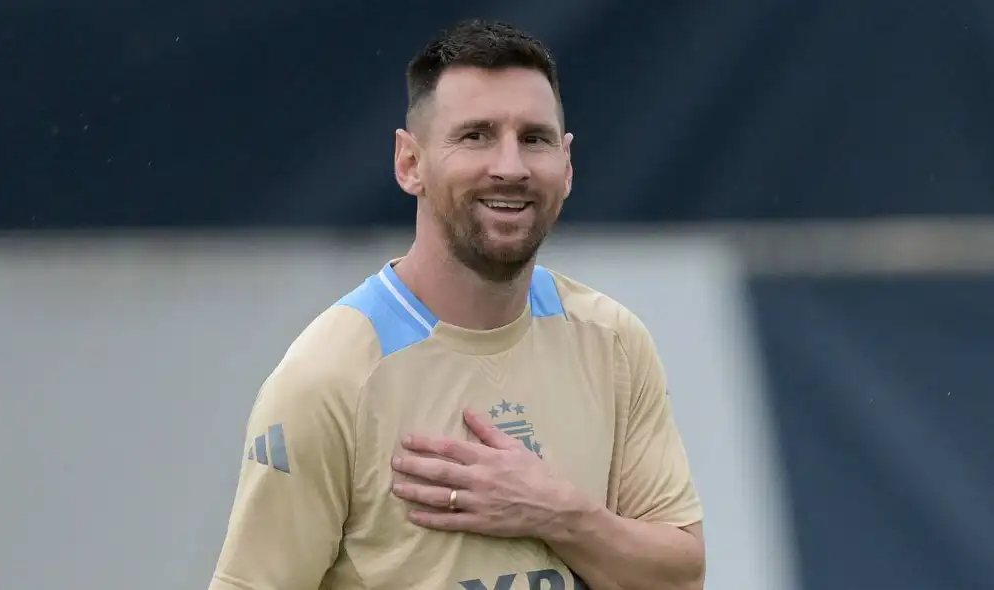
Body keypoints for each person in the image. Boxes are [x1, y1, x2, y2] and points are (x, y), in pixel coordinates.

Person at [209, 19, 705, 590]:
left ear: (567, 166)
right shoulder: (328, 379)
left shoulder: (612, 340)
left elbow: (680, 579)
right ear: (410, 163)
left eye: (534, 139)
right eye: (476, 136)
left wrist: (557, 514)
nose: (511, 167)